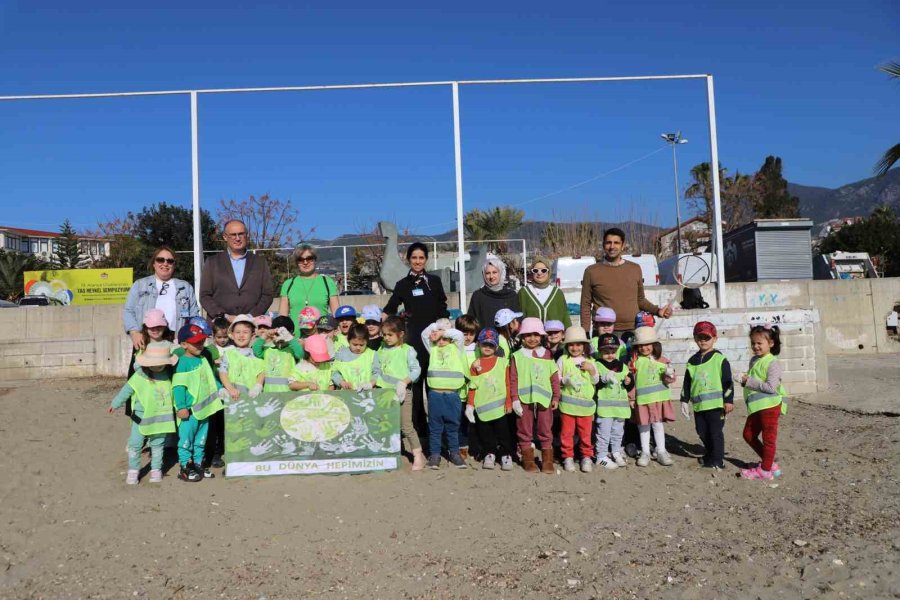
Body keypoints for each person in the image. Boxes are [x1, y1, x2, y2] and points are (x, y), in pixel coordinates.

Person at [383, 242, 449, 446]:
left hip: (435, 341)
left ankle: (437, 430)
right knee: (416, 386)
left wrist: (444, 330)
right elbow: (391, 307)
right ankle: (418, 430)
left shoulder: (435, 282)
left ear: (426, 259)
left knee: (435, 385)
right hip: (413, 341)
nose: (418, 261)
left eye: (421, 258)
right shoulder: (403, 284)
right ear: (408, 260)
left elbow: (442, 308)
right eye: (414, 258)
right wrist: (380, 324)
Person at [108, 341, 178, 484]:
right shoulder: (139, 376)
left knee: (158, 445)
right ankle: (133, 470)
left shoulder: (168, 376)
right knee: (135, 444)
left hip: (161, 419)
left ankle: (156, 470)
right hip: (140, 418)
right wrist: (115, 403)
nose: (159, 366)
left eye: (162, 363)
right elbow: (126, 390)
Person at [579, 228, 671, 335]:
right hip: (604, 331)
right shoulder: (591, 271)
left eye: (616, 243)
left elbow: (640, 300)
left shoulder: (635, 269)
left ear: (622, 246)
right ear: (603, 245)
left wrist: (658, 311)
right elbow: (585, 304)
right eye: (608, 243)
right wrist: (584, 332)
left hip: (633, 330)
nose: (612, 246)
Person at [123, 247, 199, 375]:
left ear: (174, 265)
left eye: (170, 261)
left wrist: (190, 337)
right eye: (160, 260)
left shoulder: (185, 287)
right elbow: (128, 310)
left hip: (176, 340)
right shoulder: (140, 284)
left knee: (175, 379)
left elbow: (194, 314)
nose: (165, 263)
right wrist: (134, 332)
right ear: (154, 263)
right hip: (146, 338)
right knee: (141, 381)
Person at [172, 324, 225, 482]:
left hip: (205, 409)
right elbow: (178, 387)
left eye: (201, 341)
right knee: (186, 440)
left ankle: (198, 464)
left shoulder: (203, 359)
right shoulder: (182, 363)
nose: (200, 345)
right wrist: (181, 407)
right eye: (195, 342)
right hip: (189, 412)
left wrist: (220, 389)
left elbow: (211, 379)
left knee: (200, 440)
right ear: (184, 344)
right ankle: (185, 466)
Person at [680, 321, 734, 470]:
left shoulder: (720, 359)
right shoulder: (692, 361)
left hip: (716, 406)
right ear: (695, 338)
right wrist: (684, 400)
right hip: (699, 406)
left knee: (715, 433)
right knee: (701, 431)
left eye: (707, 337)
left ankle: (718, 460)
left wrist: (728, 400)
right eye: (699, 337)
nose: (703, 341)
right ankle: (710, 454)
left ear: (714, 338)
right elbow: (687, 383)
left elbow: (728, 382)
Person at [509, 317, 560, 474]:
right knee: (524, 429)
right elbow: (513, 379)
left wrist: (556, 397)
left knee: (545, 428)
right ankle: (528, 460)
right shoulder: (517, 355)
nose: (532, 338)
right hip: (524, 399)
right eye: (528, 335)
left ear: (541, 336)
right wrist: (515, 399)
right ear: (522, 336)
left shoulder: (548, 354)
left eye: (536, 334)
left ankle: (547, 460)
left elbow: (554, 377)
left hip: (544, 399)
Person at [737, 324, 786, 481]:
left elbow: (771, 387)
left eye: (759, 343)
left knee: (769, 439)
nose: (755, 347)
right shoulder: (754, 360)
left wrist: (748, 381)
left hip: (770, 407)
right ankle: (770, 463)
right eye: (753, 343)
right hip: (757, 407)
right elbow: (754, 380)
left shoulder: (773, 363)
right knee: (748, 435)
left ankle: (765, 470)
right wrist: (744, 380)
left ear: (770, 343)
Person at [375, 316, 425, 470]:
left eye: (390, 335)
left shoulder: (407, 350)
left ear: (401, 334)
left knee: (406, 425)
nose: (386, 338)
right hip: (383, 392)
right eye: (384, 334)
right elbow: (376, 369)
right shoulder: (381, 349)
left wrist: (404, 382)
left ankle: (417, 454)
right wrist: (371, 382)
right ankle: (392, 452)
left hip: (402, 392)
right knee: (386, 424)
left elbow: (416, 369)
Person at [199, 219, 274, 321]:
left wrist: (250, 316)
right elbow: (205, 295)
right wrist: (224, 316)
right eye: (233, 235)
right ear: (225, 237)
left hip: (252, 324)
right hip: (221, 327)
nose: (237, 238)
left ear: (247, 235)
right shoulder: (212, 262)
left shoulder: (260, 262)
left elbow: (267, 294)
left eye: (241, 234)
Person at [464, 328, 514, 470]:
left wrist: (509, 401)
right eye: (484, 344)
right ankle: (489, 453)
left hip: (500, 408)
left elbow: (507, 383)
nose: (487, 348)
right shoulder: (475, 365)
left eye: (491, 345)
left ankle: (506, 454)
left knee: (503, 432)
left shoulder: (503, 362)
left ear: (496, 347)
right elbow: (473, 386)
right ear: (478, 345)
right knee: (485, 433)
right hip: (482, 408)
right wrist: (470, 405)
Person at [422, 319, 467, 470]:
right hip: (435, 395)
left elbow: (459, 335)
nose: (441, 341)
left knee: (452, 426)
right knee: (435, 427)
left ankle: (454, 453)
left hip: (452, 395)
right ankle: (435, 455)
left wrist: (443, 331)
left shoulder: (457, 347)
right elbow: (424, 334)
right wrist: (436, 328)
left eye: (444, 338)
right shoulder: (432, 349)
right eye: (438, 338)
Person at [630, 326, 677, 467]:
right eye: (641, 345)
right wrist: (631, 398)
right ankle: (645, 452)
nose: (644, 348)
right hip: (642, 401)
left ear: (654, 345)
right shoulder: (634, 363)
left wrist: (669, 374)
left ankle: (661, 450)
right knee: (643, 426)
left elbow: (669, 380)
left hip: (658, 399)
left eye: (647, 344)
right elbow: (631, 381)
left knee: (657, 425)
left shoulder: (663, 361)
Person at [557, 326, 599, 473]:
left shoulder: (591, 361)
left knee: (585, 434)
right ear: (567, 346)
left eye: (578, 344)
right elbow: (557, 379)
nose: (575, 348)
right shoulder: (563, 360)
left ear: (584, 346)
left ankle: (586, 456)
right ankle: (567, 457)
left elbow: (595, 381)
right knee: (566, 433)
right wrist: (564, 381)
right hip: (567, 406)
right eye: (571, 345)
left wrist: (592, 370)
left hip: (586, 407)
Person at [594, 333, 634, 470]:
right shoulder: (597, 365)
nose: (610, 355)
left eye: (613, 351)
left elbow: (629, 384)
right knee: (603, 433)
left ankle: (616, 452)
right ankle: (601, 456)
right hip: (605, 409)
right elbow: (594, 384)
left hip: (620, 408)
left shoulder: (622, 366)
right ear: (600, 351)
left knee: (618, 432)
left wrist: (629, 381)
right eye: (606, 352)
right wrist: (604, 379)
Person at [278, 244, 340, 326]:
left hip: (320, 337)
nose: (305, 262)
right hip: (295, 337)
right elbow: (282, 318)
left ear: (315, 260)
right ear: (297, 262)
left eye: (309, 258)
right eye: (301, 259)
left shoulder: (328, 283)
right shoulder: (288, 284)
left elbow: (337, 315)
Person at [219, 315, 266, 402]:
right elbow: (223, 372)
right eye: (238, 332)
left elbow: (262, 371)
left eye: (245, 332)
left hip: (251, 398)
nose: (241, 335)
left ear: (252, 336)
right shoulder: (228, 354)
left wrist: (258, 385)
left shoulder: (256, 355)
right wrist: (229, 388)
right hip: (232, 397)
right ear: (232, 335)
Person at [466, 256, 520, 332]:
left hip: (507, 340)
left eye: (494, 272)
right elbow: (471, 322)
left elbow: (517, 321)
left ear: (501, 273)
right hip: (484, 341)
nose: (491, 276)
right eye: (488, 273)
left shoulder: (511, 296)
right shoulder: (478, 296)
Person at [253, 315, 304, 392]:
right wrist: (265, 335)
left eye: (284, 334)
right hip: (269, 393)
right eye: (277, 334)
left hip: (288, 393)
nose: (280, 337)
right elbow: (256, 350)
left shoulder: (291, 350)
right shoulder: (268, 350)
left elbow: (300, 354)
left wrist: (290, 339)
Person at [455, 314, 481, 460]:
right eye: (465, 334)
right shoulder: (454, 348)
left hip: (476, 392)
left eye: (472, 334)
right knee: (460, 421)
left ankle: (477, 446)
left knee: (477, 421)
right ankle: (462, 446)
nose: (468, 337)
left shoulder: (478, 348)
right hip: (459, 392)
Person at [518, 255, 571, 326]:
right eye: (535, 270)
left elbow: (565, 318)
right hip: (532, 336)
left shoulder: (557, 293)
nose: (539, 273)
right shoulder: (524, 293)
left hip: (553, 336)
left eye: (543, 270)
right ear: (532, 272)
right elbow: (519, 319)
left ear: (549, 272)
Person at [333, 324, 378, 390]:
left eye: (361, 345)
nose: (358, 348)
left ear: (367, 342)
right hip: (346, 393)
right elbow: (334, 372)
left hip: (367, 393)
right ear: (348, 340)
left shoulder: (372, 354)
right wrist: (341, 382)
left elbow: (377, 372)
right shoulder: (341, 354)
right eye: (355, 344)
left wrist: (371, 384)